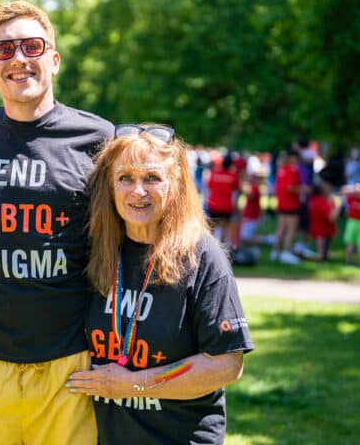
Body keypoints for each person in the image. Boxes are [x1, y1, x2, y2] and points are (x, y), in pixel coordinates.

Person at [0, 0, 114, 444]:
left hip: (71, 364)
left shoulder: (98, 138)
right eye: (4, 50)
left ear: (54, 60)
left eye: (32, 46)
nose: (19, 59)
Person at [66, 124, 253, 444]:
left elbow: (226, 364)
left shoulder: (202, 256)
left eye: (152, 178)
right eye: (125, 178)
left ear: (176, 183)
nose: (138, 191)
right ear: (109, 186)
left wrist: (135, 383)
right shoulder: (97, 251)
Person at [270, 149, 304, 264]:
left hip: (282, 202)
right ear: (293, 158)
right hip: (291, 203)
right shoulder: (292, 170)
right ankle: (286, 252)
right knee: (291, 229)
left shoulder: (281, 170)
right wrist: (303, 189)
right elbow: (290, 187)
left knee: (281, 228)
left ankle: (275, 252)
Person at [205, 152, 241, 249]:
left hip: (213, 204)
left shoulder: (214, 173)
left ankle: (210, 247)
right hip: (226, 206)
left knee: (212, 227)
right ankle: (222, 248)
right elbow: (236, 191)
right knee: (225, 227)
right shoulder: (233, 175)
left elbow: (209, 187)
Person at [307, 181, 339, 261]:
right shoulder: (320, 201)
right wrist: (339, 206)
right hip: (321, 229)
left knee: (324, 248)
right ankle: (319, 256)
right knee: (321, 252)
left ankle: (323, 255)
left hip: (321, 227)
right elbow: (332, 217)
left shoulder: (314, 200)